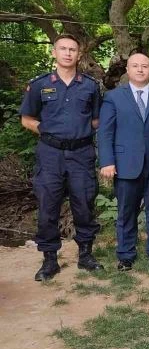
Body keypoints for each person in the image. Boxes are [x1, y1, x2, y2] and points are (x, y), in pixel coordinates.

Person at [20, 34, 104, 281]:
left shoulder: (89, 85)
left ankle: (86, 255)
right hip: (50, 154)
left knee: (84, 203)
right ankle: (49, 260)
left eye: (73, 49)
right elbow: (27, 119)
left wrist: (83, 132)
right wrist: (45, 131)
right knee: (48, 206)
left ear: (79, 55)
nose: (68, 53)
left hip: (81, 153)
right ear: (54, 53)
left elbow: (97, 119)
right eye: (63, 49)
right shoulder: (39, 85)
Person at [98, 51, 149, 271]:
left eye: (145, 66)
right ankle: (125, 255)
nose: (140, 69)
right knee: (126, 212)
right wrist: (107, 161)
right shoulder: (114, 97)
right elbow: (105, 133)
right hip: (125, 164)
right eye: (135, 66)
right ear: (127, 70)